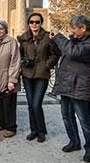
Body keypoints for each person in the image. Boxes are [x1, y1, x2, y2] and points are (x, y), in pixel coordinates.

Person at [50, 14, 90, 162]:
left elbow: (74, 52)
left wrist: (59, 37)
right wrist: (54, 40)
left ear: (83, 28)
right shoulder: (74, 40)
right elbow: (63, 51)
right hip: (67, 84)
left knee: (84, 120)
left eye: (74, 30)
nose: (72, 33)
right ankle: (74, 142)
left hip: (80, 86)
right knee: (67, 116)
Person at [18, 13, 60, 143]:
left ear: (41, 23)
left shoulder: (48, 37)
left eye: (37, 22)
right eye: (32, 22)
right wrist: (24, 62)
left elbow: (56, 54)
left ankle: (41, 131)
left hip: (42, 74)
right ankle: (34, 130)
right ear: (28, 23)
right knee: (31, 104)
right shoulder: (24, 38)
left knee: (36, 104)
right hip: (27, 74)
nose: (34, 25)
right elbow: (20, 54)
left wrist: (47, 65)